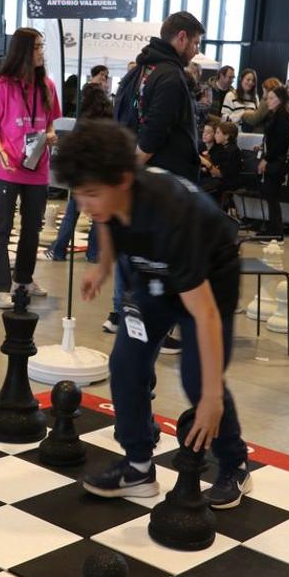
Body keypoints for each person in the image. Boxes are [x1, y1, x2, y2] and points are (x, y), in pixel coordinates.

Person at [55, 119, 251, 508]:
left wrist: (211, 398)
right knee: (126, 363)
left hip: (209, 279)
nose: (84, 205)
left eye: (91, 194)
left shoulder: (169, 217)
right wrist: (103, 267)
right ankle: (139, 466)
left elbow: (206, 314)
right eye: (78, 195)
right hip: (152, 278)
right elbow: (108, 221)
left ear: (124, 180)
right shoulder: (109, 199)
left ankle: (235, 463)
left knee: (199, 381)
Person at [0, 27, 61, 309]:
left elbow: (50, 121)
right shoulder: (2, 85)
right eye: (37, 47)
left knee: (32, 228)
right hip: (7, 168)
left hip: (37, 168)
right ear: (23, 51)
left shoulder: (47, 85)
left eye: (42, 46)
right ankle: (0, 286)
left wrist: (50, 135)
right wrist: (0, 150)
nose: (41, 52)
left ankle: (23, 279)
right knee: (1, 227)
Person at [115, 12, 205, 184]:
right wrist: (125, 177)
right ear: (182, 37)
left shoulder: (139, 69)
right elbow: (153, 133)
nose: (197, 51)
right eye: (196, 43)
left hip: (145, 175)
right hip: (163, 183)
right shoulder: (170, 76)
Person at [40, 80, 112, 264]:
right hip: (102, 172)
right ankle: (94, 253)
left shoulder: (83, 121)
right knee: (98, 214)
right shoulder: (109, 119)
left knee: (72, 212)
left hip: (83, 172)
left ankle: (58, 249)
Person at [256, 86, 289, 238]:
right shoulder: (276, 115)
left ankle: (276, 230)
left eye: (271, 98)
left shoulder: (282, 117)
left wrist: (266, 158)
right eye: (267, 98)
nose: (267, 101)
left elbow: (279, 144)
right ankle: (273, 228)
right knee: (270, 195)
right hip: (274, 159)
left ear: (280, 99)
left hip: (276, 162)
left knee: (272, 196)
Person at [201, 120, 241, 204]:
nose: (215, 135)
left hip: (226, 183)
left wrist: (206, 162)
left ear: (226, 136)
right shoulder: (224, 148)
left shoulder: (232, 150)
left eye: (218, 133)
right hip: (219, 180)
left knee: (196, 188)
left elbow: (221, 174)